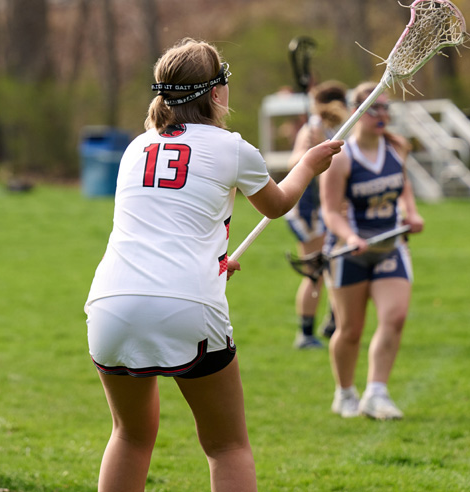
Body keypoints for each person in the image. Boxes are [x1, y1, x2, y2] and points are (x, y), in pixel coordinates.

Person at [84, 38, 343, 492]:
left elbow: (159, 227)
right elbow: (277, 204)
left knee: (129, 435)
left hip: (111, 303)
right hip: (187, 305)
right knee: (226, 447)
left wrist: (213, 260)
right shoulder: (232, 147)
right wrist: (306, 165)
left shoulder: (135, 148)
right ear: (217, 92)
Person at [319, 82, 424, 420]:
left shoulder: (396, 148)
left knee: (394, 317)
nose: (382, 115)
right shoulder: (341, 157)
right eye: (373, 109)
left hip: (390, 246)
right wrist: (349, 237)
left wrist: (412, 212)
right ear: (356, 113)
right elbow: (330, 211)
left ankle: (377, 392)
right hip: (350, 252)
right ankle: (345, 392)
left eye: (385, 108)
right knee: (349, 330)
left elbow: (402, 186)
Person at [285, 81, 349, 349]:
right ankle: (306, 333)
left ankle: (332, 321)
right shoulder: (313, 128)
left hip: (322, 209)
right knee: (316, 271)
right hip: (307, 209)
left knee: (332, 266)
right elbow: (294, 163)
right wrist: (306, 152)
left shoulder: (332, 127)